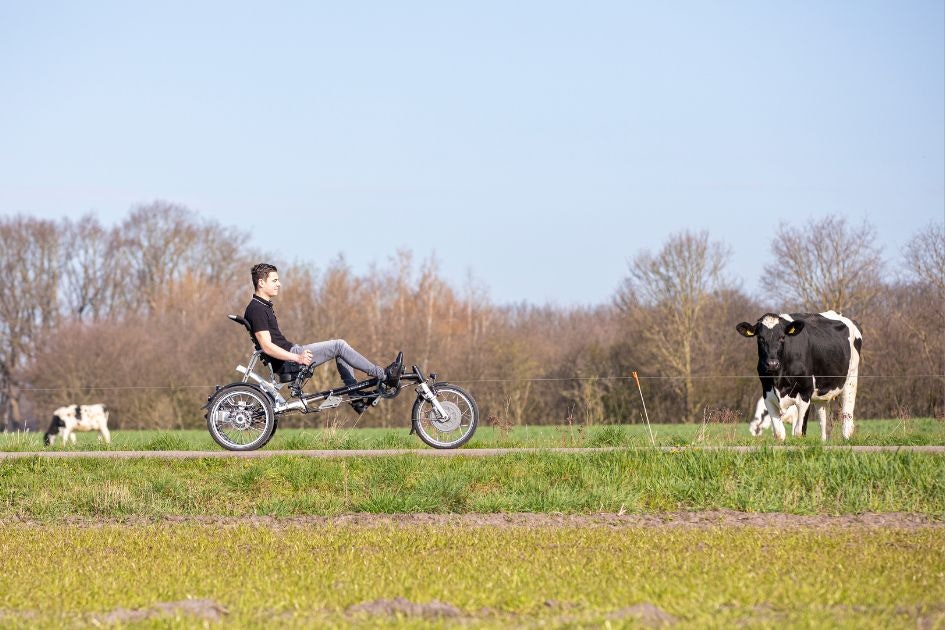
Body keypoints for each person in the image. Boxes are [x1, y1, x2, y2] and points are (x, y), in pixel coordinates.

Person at [243, 263, 402, 412]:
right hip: (289, 359)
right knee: (339, 345)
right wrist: (297, 357)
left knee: (341, 350)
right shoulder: (257, 309)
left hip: (291, 354)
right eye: (275, 280)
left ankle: (356, 397)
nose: (279, 284)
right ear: (261, 282)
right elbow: (267, 346)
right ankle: (384, 375)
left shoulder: (262, 306)